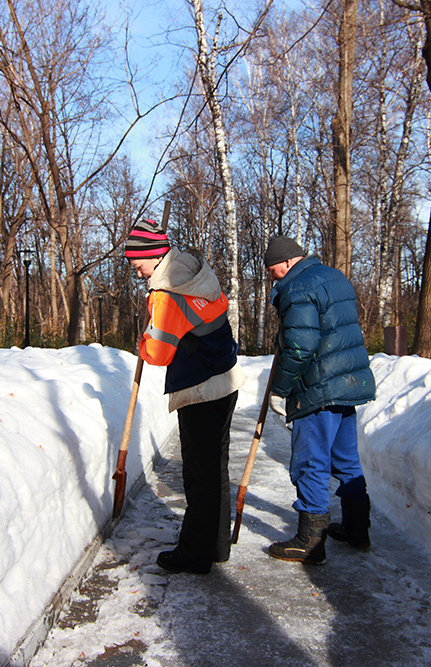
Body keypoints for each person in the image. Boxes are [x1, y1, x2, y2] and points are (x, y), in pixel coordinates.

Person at [125, 218, 244, 575]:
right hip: (224, 380)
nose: (139, 272)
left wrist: (143, 344)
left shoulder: (167, 293)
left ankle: (194, 553)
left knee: (198, 473)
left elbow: (159, 352)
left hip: (200, 388)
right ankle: (215, 546)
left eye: (138, 264)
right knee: (214, 470)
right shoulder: (194, 272)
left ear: (152, 254)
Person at [264, 235, 376, 565]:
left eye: (273, 270)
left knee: (311, 462)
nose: (273, 277)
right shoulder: (334, 276)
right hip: (347, 383)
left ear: (287, 262)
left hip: (318, 388)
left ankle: (310, 542)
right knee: (346, 460)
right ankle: (358, 529)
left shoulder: (296, 288)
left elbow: (300, 346)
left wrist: (280, 389)